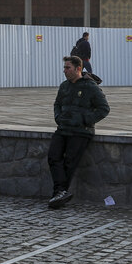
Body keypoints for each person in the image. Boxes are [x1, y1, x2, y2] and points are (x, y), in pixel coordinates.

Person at [47, 55, 109, 208]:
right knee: (53, 156)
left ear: (78, 68)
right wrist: (59, 118)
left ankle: (59, 193)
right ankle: (60, 192)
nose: (64, 71)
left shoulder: (91, 87)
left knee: (70, 162)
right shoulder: (64, 86)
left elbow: (104, 109)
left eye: (68, 68)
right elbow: (57, 104)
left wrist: (84, 120)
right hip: (63, 128)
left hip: (81, 131)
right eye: (64, 68)